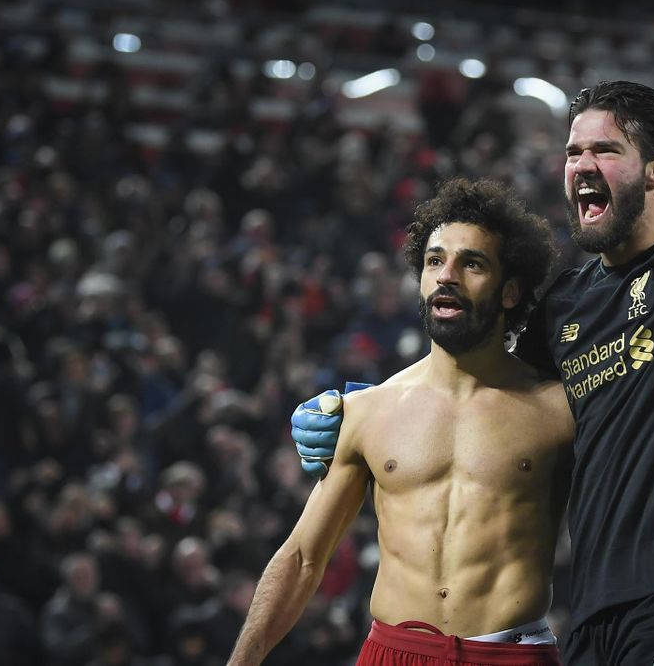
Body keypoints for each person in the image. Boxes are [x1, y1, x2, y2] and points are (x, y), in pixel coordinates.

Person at [291, 10, 654, 664]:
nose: (581, 164)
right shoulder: (567, 304)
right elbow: (474, 383)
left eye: (605, 150)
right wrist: (355, 406)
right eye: (574, 151)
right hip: (597, 606)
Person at [229, 177, 572, 665]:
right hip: (393, 652)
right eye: (434, 261)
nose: (446, 275)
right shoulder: (371, 410)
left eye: (471, 263)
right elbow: (304, 557)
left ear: (510, 291)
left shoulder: (558, 409)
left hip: (512, 655)